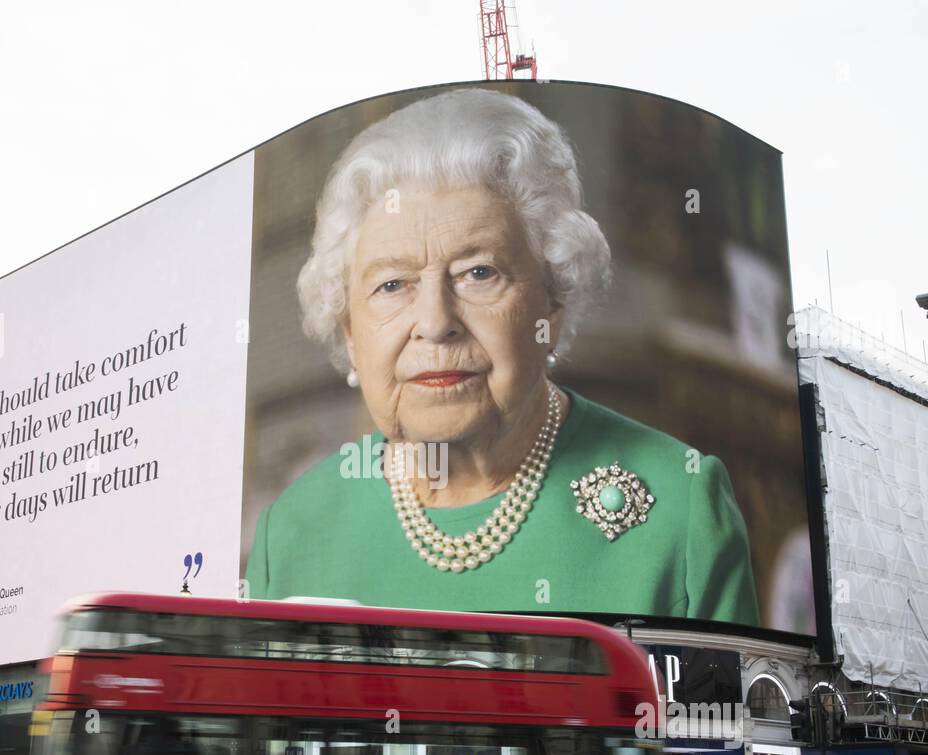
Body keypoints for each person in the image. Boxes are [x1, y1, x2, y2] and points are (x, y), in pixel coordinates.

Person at [246, 88, 759, 625]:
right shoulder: (291, 532)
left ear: (553, 299)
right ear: (350, 330)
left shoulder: (682, 506)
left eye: (479, 273)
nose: (435, 322)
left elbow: (732, 712)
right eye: (393, 284)